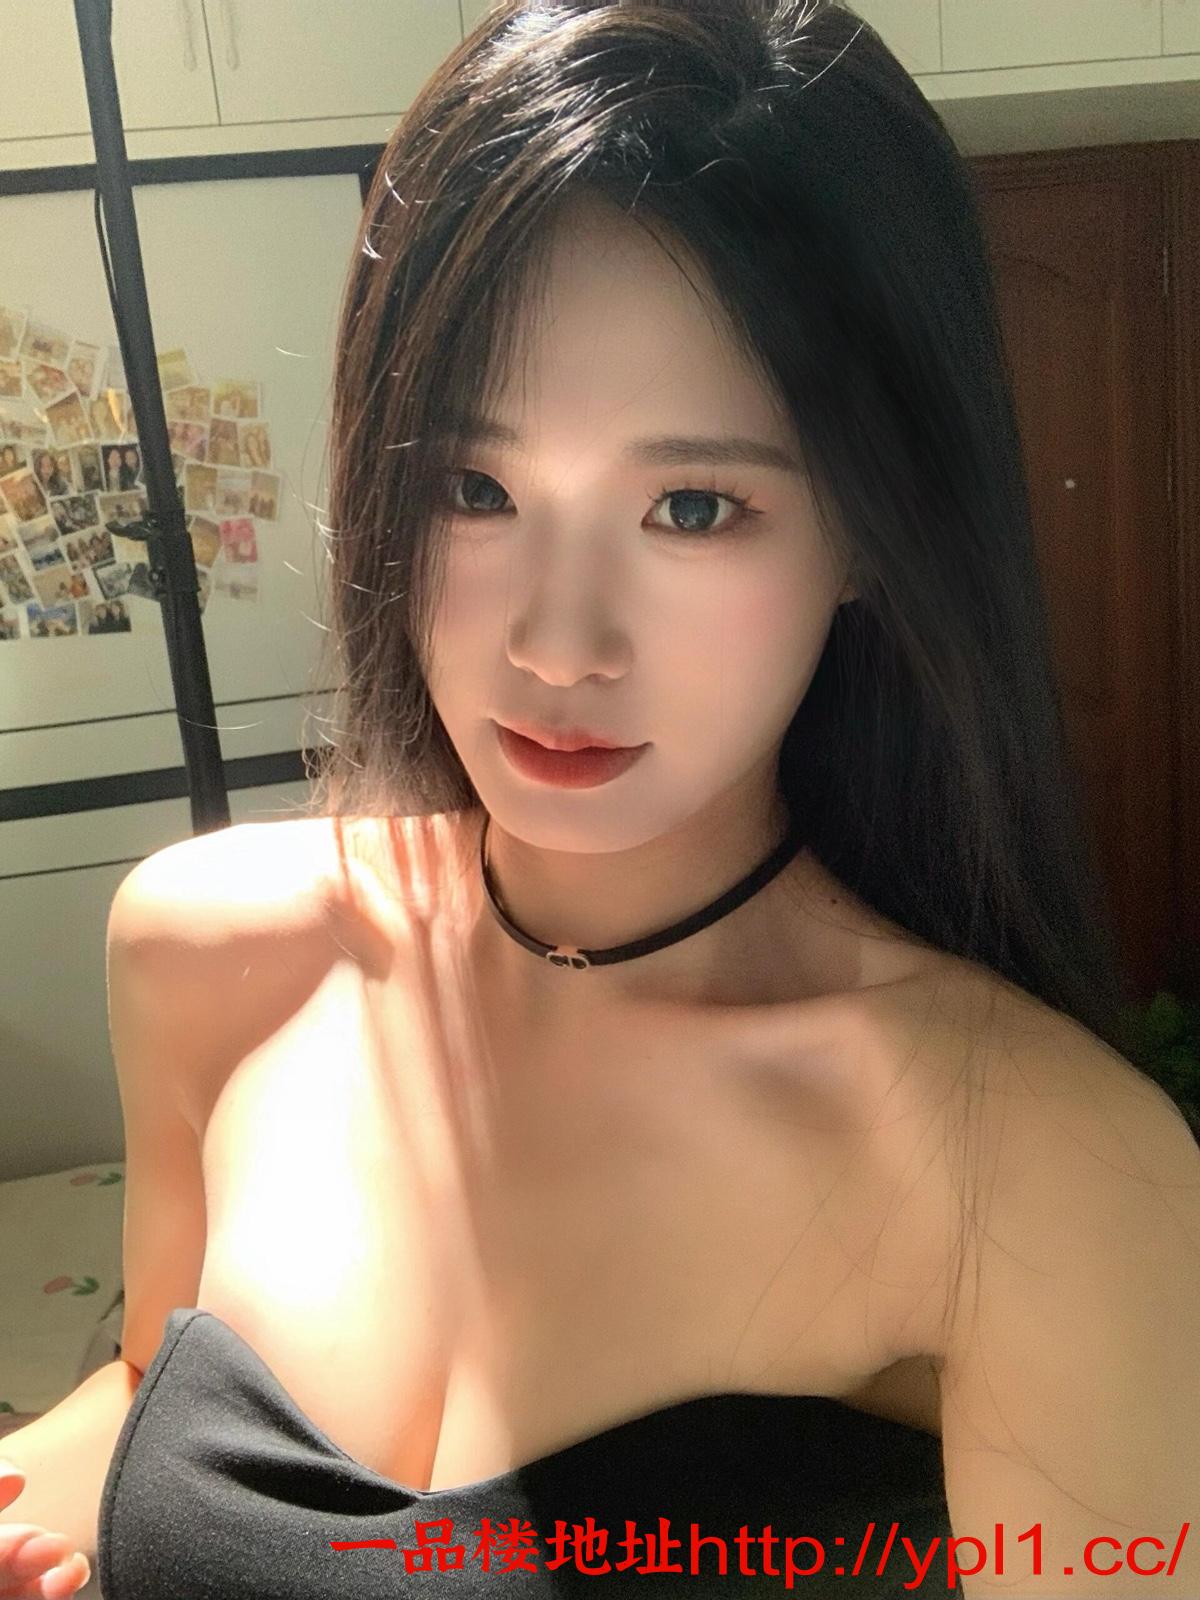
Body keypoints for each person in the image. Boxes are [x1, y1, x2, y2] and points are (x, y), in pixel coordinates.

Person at [3, 3, 1198, 1598]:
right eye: (474, 489)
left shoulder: (1040, 1171)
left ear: (870, 532)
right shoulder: (217, 955)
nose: (558, 645)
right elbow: (154, 1396)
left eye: (693, 506)